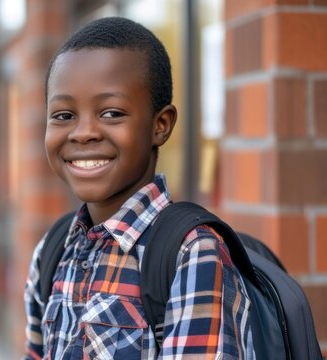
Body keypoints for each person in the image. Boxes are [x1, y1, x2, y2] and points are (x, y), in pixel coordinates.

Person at [23, 17, 254, 359]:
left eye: (112, 112)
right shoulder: (53, 249)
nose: (83, 132)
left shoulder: (191, 255)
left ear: (160, 126)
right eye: (63, 115)